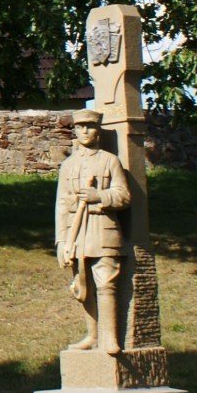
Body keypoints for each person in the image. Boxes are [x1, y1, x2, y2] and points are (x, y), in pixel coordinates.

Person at [54, 110, 133, 355]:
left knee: (106, 283)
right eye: (80, 127)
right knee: (83, 285)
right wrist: (60, 241)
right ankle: (92, 335)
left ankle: (110, 338)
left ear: (98, 130)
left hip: (103, 229)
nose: (85, 131)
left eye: (89, 126)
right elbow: (61, 204)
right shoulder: (68, 165)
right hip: (77, 234)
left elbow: (124, 196)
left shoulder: (110, 161)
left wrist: (99, 195)